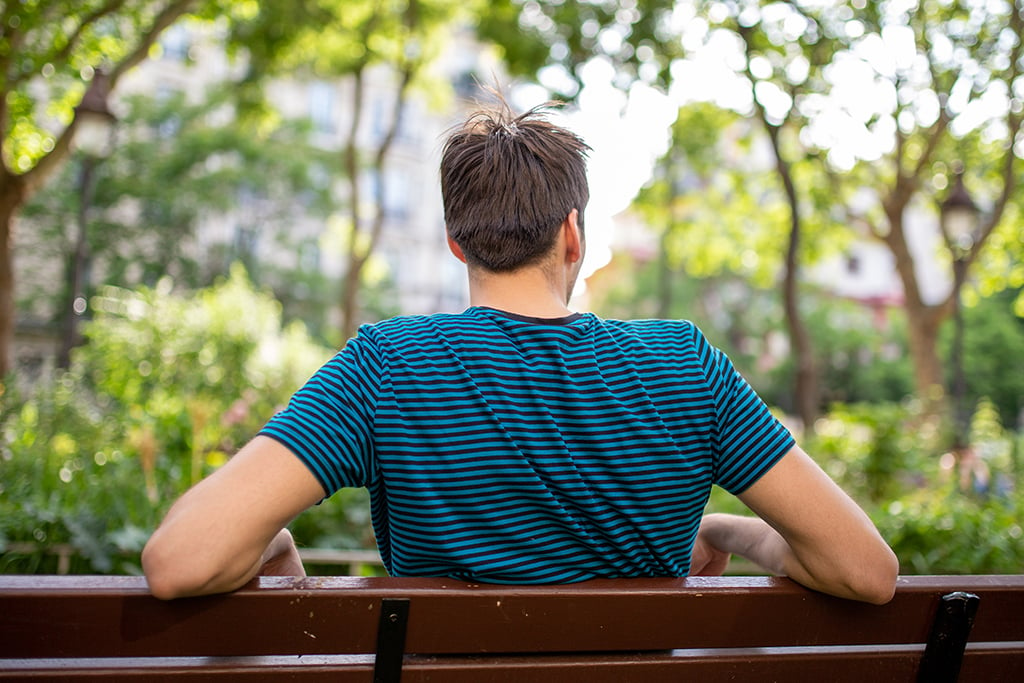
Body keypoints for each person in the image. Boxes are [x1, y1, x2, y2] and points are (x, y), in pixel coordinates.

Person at [142, 102, 898, 604]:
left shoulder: (387, 364)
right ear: (574, 236)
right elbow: (865, 570)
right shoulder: (685, 364)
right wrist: (729, 528)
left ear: (455, 242)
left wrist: (270, 540)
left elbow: (181, 560)